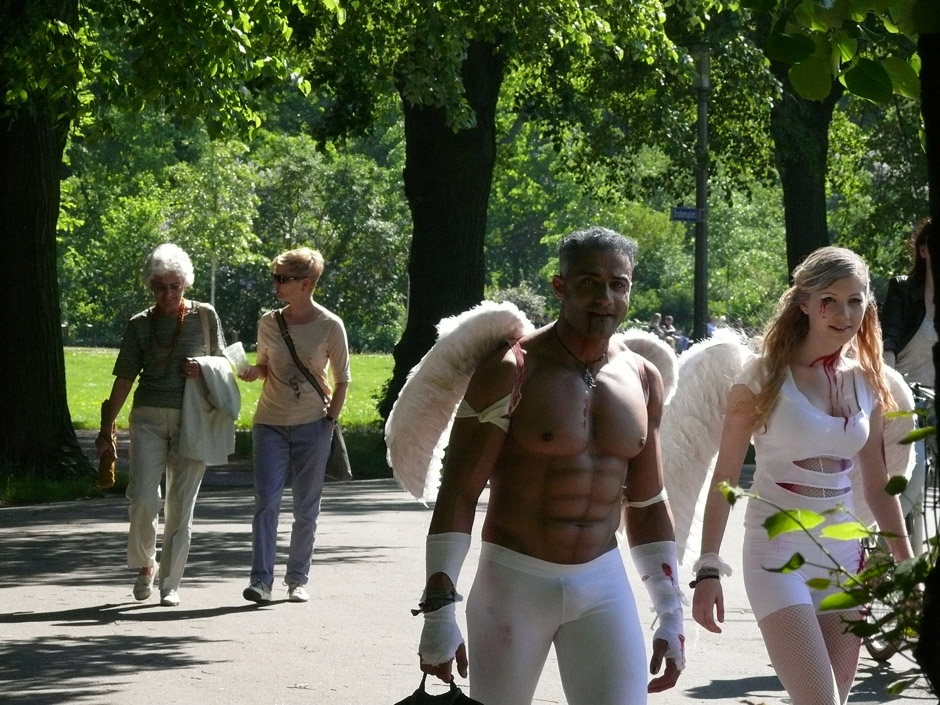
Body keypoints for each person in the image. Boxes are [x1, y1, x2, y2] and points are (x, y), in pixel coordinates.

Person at [416, 226, 684, 705]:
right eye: (589, 283)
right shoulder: (512, 369)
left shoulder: (643, 378)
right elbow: (459, 492)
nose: (604, 298)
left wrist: (670, 608)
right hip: (514, 582)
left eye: (617, 284)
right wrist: (439, 610)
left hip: (602, 583)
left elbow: (647, 501)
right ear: (560, 286)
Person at [692, 246, 914, 705]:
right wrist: (708, 567)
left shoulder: (868, 381)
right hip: (776, 553)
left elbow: (877, 485)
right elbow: (724, 480)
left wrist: (907, 566)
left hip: (843, 555)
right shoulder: (761, 378)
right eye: (829, 300)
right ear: (805, 304)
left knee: (834, 700)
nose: (844, 314)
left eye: (854, 301)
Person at [96, 243, 228, 607]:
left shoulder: (205, 315)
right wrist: (107, 428)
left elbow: (223, 362)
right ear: (150, 285)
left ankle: (171, 583)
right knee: (143, 498)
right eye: (159, 287)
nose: (167, 293)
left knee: (181, 505)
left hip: (193, 417)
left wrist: (202, 368)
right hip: (148, 417)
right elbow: (124, 377)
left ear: (185, 283)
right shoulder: (139, 324)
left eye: (174, 286)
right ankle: (146, 564)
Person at [239, 247, 350, 604]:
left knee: (305, 508)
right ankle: (261, 581)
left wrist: (329, 420)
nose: (275, 284)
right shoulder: (269, 322)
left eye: (282, 279)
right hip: (269, 423)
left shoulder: (330, 325)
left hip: (313, 424)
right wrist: (253, 372)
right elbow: (265, 366)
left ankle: (297, 579)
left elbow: (342, 380)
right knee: (266, 503)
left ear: (306, 284)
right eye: (274, 277)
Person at [880, 217, 935, 549]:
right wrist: (891, 384)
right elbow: (889, 339)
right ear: (924, 251)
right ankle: (883, 548)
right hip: (907, 396)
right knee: (915, 475)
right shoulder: (903, 290)